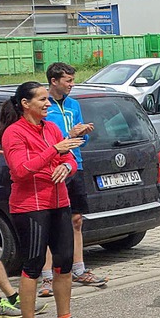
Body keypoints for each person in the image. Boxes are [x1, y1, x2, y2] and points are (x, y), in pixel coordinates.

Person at [0, 82, 93, 318]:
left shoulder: (51, 128)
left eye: (47, 99)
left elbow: (72, 156)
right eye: (42, 99)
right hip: (30, 207)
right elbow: (20, 170)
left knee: (63, 263)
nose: (47, 103)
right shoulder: (14, 133)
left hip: (59, 201)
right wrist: (55, 151)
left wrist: (66, 165)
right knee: (33, 266)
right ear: (25, 104)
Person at [37, 63, 103, 298]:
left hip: (75, 166)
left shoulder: (73, 104)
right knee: (48, 221)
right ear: (54, 81)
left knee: (76, 220)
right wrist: (70, 135)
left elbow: (79, 141)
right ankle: (45, 277)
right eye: (68, 80)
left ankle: (79, 269)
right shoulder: (43, 105)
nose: (72, 85)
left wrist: (82, 134)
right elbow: (43, 143)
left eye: (73, 80)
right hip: (52, 169)